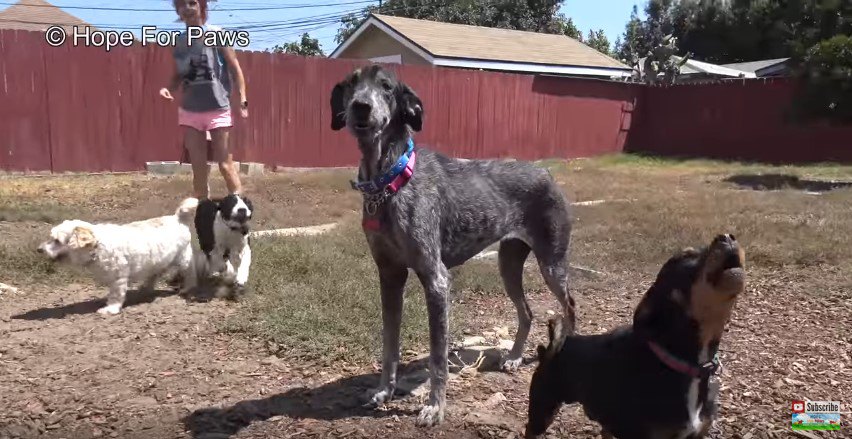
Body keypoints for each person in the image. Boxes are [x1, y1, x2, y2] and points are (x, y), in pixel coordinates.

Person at [160, 0, 248, 200]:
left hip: (218, 108)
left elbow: (235, 68)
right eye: (182, 5)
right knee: (198, 170)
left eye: (192, 3)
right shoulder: (179, 42)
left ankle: (241, 211)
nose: (188, 8)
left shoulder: (217, 34)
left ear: (201, 7)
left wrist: (243, 97)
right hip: (191, 111)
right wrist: (169, 89)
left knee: (225, 165)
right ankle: (203, 217)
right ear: (178, 11)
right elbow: (178, 74)